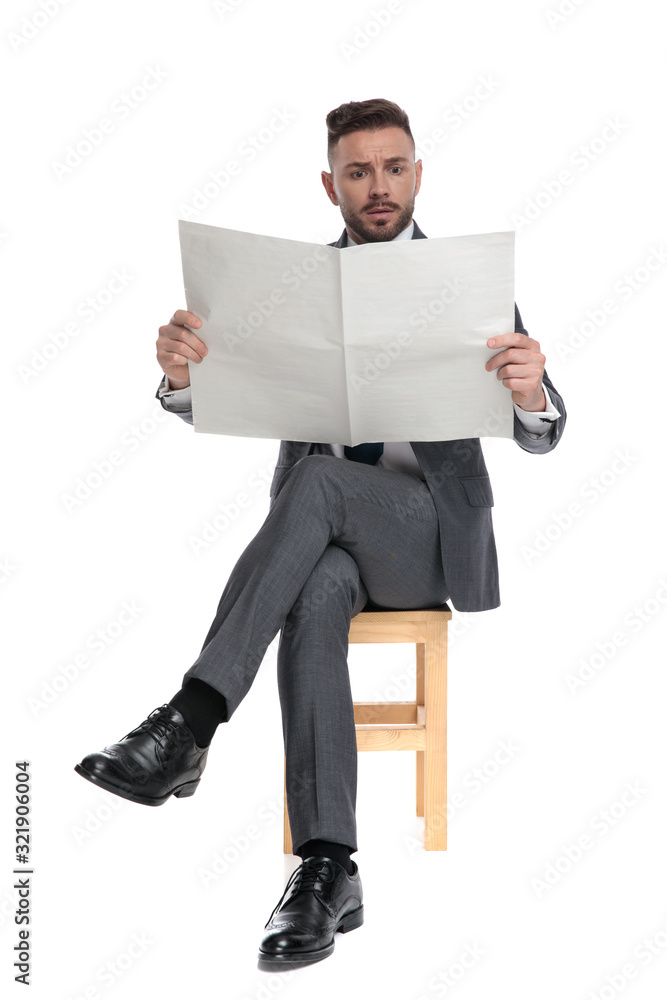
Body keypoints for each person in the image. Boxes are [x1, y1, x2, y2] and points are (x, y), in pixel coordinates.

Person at [74, 98, 566, 972]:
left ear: (418, 171)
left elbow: (543, 431)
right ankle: (327, 871)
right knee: (313, 586)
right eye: (357, 171)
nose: (378, 187)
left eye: (394, 167)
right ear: (329, 183)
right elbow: (224, 403)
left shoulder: (469, 284)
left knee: (318, 481)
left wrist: (531, 394)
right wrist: (181, 380)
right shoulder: (287, 290)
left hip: (426, 542)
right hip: (325, 540)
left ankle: (190, 720)